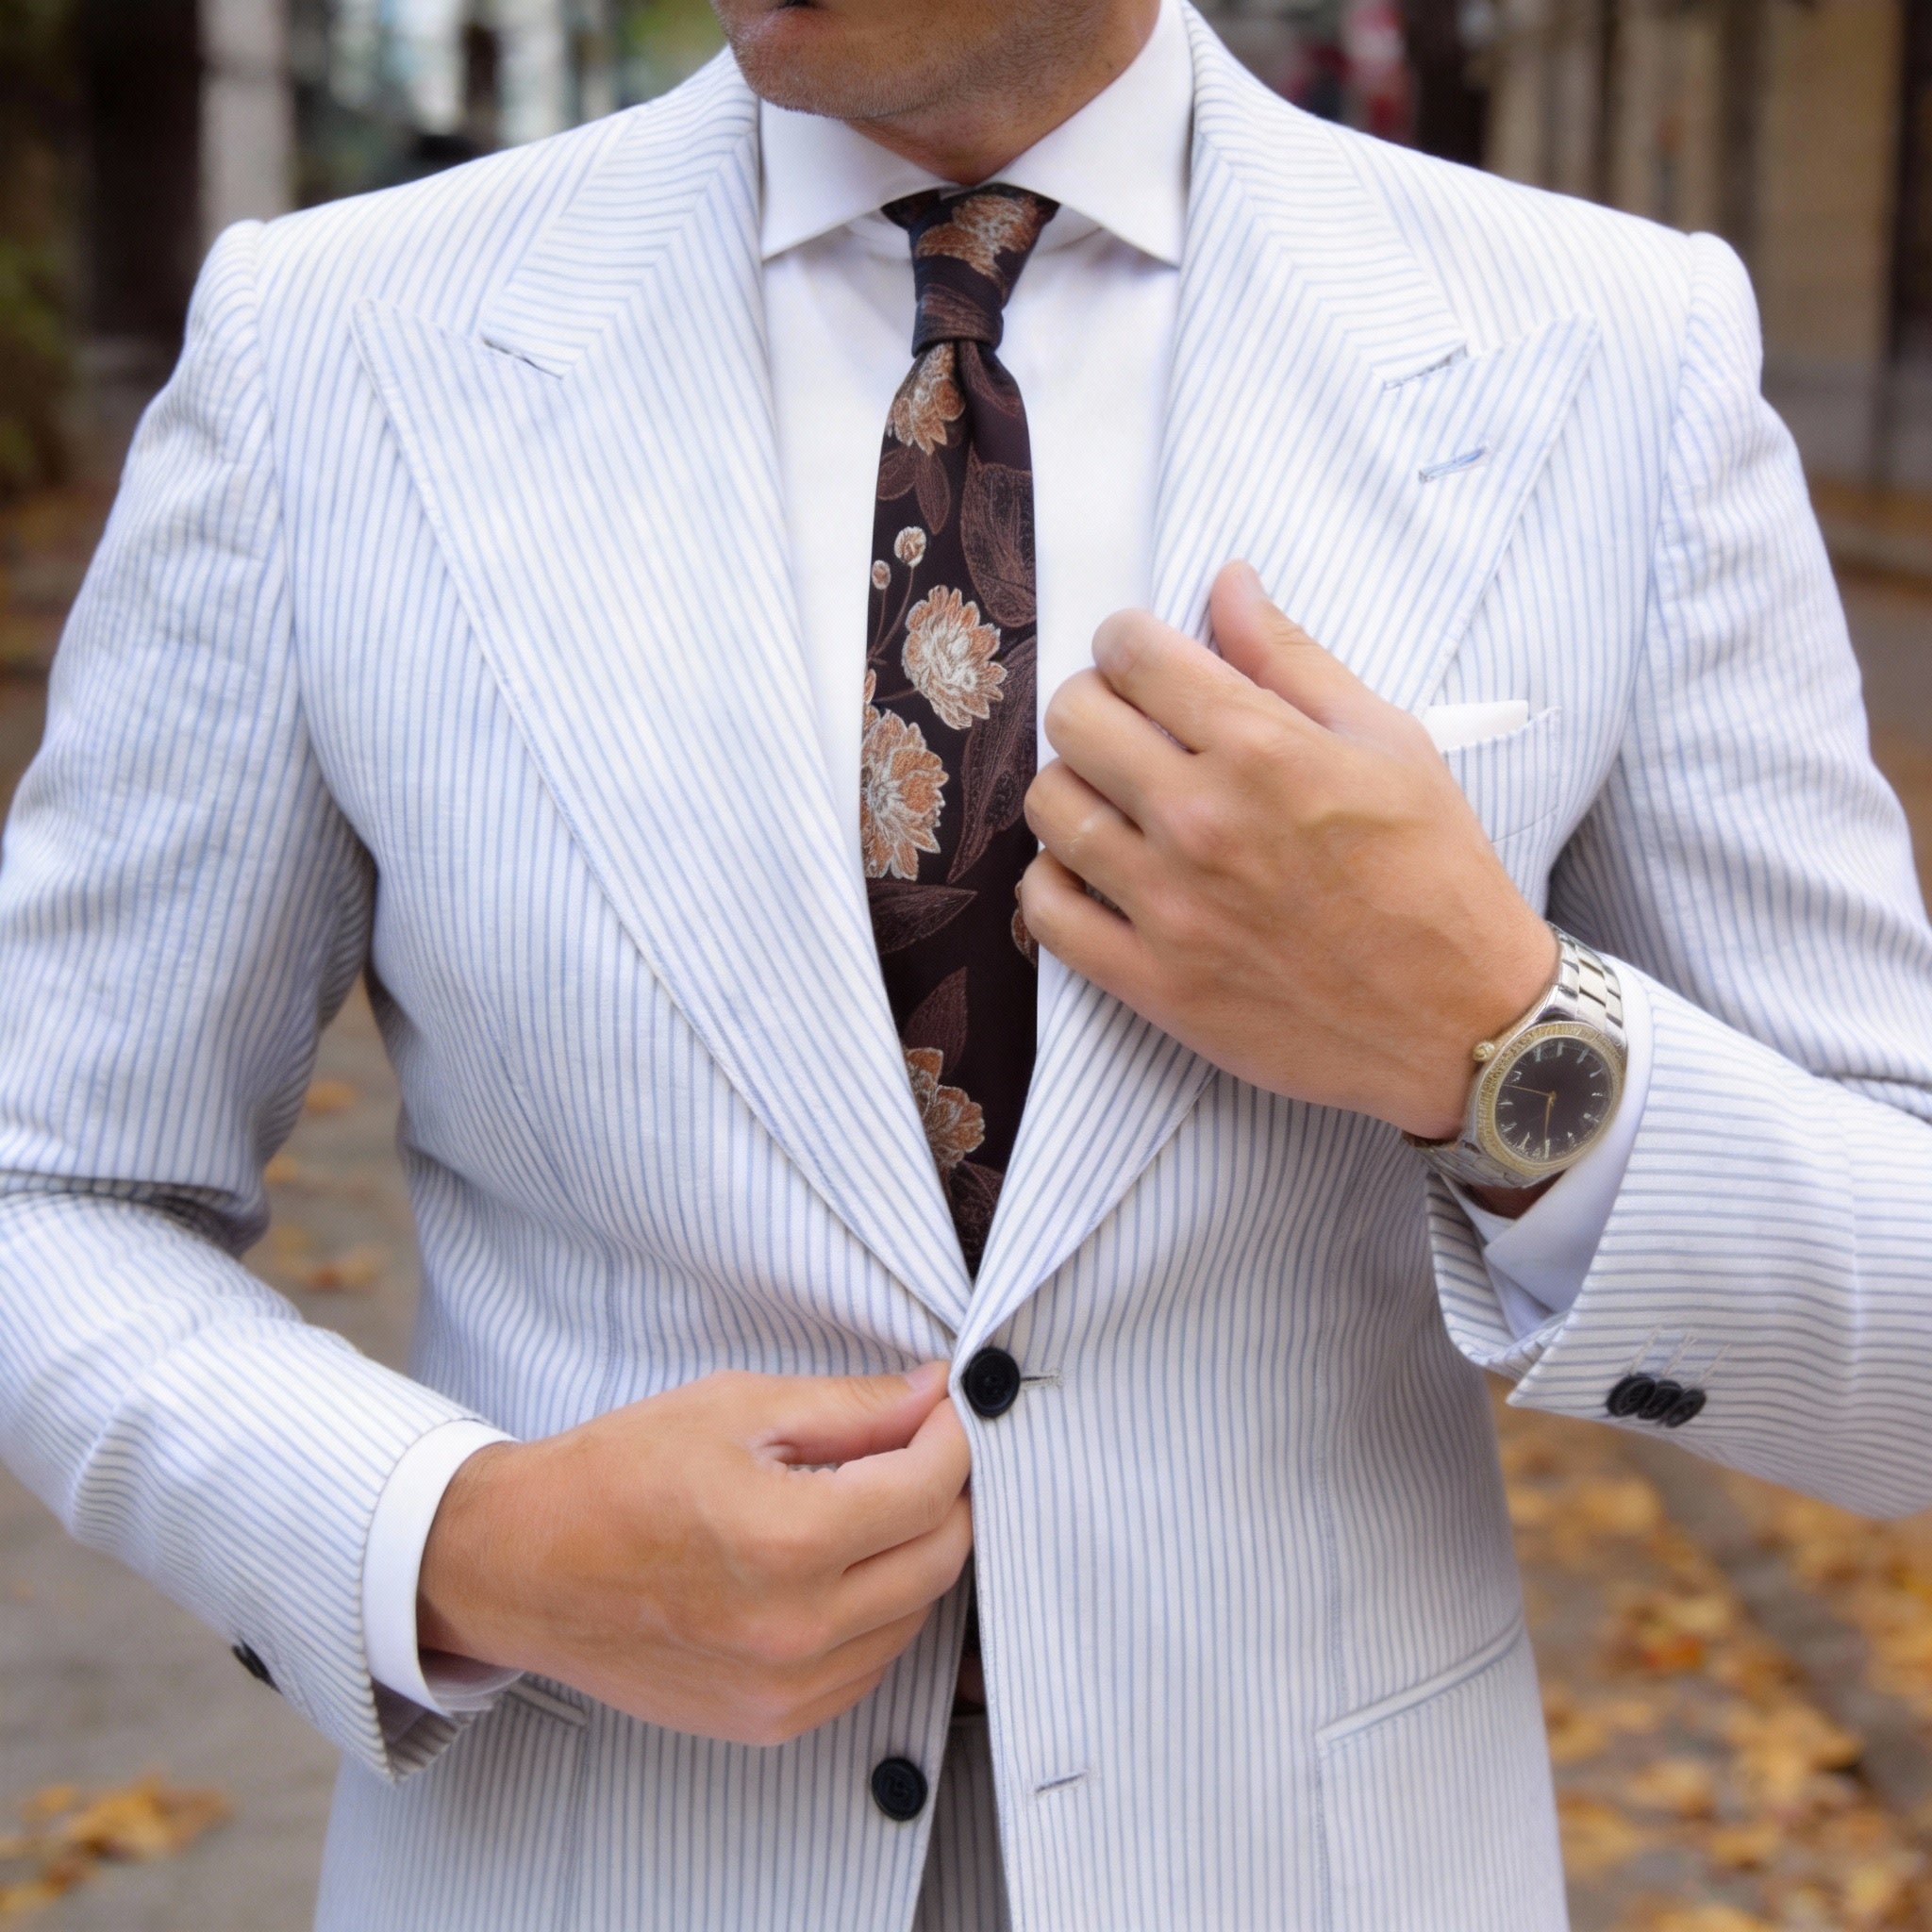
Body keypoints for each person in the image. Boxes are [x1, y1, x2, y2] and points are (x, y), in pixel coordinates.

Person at [2, 0, 1929, 1924]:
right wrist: (458, 1541)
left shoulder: (1610, 354)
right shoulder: (328, 349)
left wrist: (1497, 1044)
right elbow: (50, 1183)